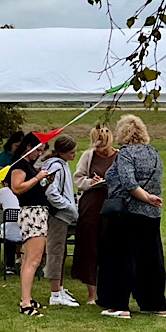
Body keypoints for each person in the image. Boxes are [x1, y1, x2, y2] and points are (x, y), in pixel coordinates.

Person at [96, 115, 166, 319]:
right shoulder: (154, 153)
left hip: (128, 212)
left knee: (122, 258)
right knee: (151, 260)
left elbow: (129, 182)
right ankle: (155, 304)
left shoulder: (126, 153)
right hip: (152, 215)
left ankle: (119, 305)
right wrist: (151, 200)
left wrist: (146, 197)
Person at [6, 134, 52, 316]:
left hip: (37, 212)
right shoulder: (19, 165)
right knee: (33, 260)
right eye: (38, 150)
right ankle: (25, 303)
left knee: (30, 259)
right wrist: (37, 177)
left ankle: (28, 298)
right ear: (28, 147)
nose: (39, 154)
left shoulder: (28, 165)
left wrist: (44, 181)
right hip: (32, 214)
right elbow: (17, 188)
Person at [70, 124, 116, 303]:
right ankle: (92, 294)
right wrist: (90, 182)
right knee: (90, 247)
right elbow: (78, 178)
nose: (100, 150)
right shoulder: (88, 156)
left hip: (112, 205)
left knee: (111, 247)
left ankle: (110, 290)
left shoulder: (119, 156)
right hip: (91, 205)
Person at [41, 135, 81, 307]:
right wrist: (69, 207)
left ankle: (60, 288)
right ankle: (55, 294)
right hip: (58, 215)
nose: (74, 155)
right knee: (56, 252)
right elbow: (51, 193)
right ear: (62, 152)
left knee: (62, 252)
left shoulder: (62, 164)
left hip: (63, 215)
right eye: (71, 152)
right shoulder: (56, 166)